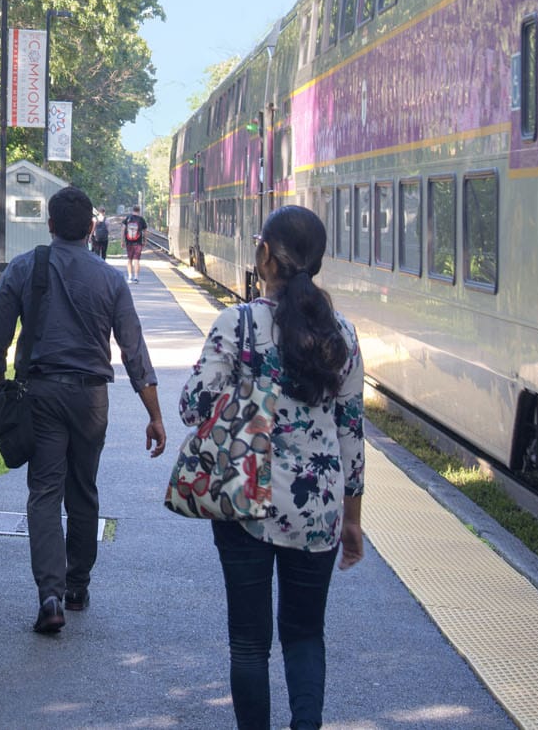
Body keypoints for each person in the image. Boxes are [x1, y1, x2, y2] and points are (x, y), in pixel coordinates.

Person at [178, 205, 364, 730]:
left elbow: (193, 407)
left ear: (264, 255)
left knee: (249, 641)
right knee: (305, 635)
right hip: (318, 508)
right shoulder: (343, 335)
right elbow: (351, 435)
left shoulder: (234, 325)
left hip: (244, 500)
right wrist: (352, 519)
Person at [0, 185, 166, 635]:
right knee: (83, 488)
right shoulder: (109, 279)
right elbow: (133, 351)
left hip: (41, 394)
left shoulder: (26, 267)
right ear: (91, 229)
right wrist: (154, 414)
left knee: (45, 492)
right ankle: (78, 585)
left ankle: (50, 595)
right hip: (91, 399)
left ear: (49, 225)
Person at [121, 204, 146, 282]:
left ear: (133, 210)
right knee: (137, 260)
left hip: (129, 242)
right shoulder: (141, 219)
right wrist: (145, 240)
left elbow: (123, 229)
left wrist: (122, 240)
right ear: (139, 210)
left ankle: (129, 277)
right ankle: (136, 277)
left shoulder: (128, 218)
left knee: (129, 259)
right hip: (138, 242)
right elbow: (145, 231)